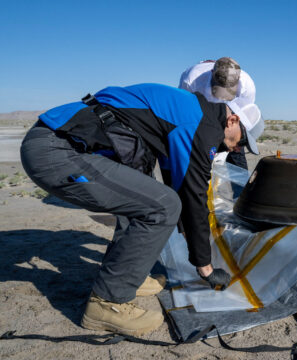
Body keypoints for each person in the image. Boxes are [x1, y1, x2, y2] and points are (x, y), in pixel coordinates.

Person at [20, 83, 264, 336]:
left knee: (146, 196)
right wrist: (205, 267)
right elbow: (192, 196)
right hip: (57, 149)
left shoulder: (193, 112)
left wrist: (187, 235)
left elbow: (178, 182)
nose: (238, 149)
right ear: (232, 119)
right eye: (242, 140)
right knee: (163, 205)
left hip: (59, 141)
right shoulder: (202, 125)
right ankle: (108, 302)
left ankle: (126, 275)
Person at [179, 57, 256, 172]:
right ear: (211, 73)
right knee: (200, 162)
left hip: (230, 123)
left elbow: (245, 116)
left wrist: (237, 140)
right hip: (202, 120)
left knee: (239, 166)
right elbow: (185, 112)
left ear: (238, 79)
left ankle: (241, 189)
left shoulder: (247, 85)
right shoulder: (191, 79)